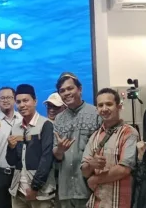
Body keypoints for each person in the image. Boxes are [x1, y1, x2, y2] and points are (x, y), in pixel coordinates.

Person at [81, 88, 138, 208]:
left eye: (109, 104)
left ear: (118, 106)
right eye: (100, 105)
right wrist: (91, 165)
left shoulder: (129, 133)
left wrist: (95, 179)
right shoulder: (94, 136)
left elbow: (124, 169)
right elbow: (85, 172)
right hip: (97, 203)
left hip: (120, 203)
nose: (104, 109)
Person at [53, 72, 102, 208]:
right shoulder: (59, 119)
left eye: (70, 88)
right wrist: (60, 150)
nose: (66, 93)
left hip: (89, 188)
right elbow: (56, 154)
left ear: (80, 89)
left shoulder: (96, 114)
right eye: (62, 91)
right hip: (66, 190)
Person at [5, 84, 56, 208]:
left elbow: (47, 159)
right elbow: (11, 161)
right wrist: (10, 148)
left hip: (40, 192)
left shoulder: (46, 124)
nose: (22, 105)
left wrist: (35, 187)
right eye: (18, 102)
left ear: (35, 101)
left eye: (25, 100)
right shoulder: (15, 128)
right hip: (18, 191)